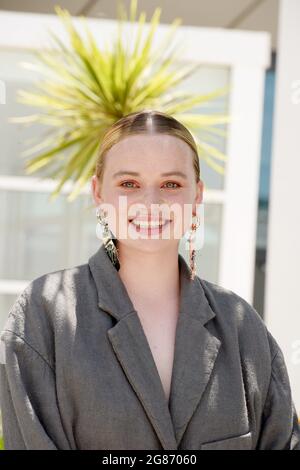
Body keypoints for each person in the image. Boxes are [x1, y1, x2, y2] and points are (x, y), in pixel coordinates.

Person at [0, 110, 299, 450]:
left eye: (171, 184)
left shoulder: (242, 328)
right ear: (98, 192)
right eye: (129, 184)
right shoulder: (44, 315)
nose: (151, 202)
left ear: (197, 194)